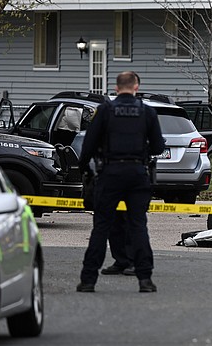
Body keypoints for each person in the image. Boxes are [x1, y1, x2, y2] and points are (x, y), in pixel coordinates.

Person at [76, 71, 165, 293]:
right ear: (136, 87)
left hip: (110, 172)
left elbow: (88, 143)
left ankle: (88, 280)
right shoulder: (146, 112)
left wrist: (84, 168)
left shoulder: (106, 110)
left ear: (116, 89)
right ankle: (145, 279)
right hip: (137, 172)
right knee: (138, 226)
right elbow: (158, 147)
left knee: (101, 227)